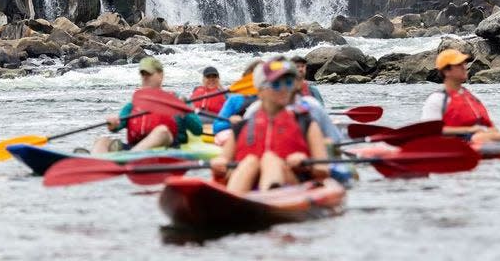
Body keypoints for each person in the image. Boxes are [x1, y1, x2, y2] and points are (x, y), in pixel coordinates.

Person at [210, 59, 329, 194]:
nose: (284, 89)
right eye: (276, 84)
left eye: (289, 83)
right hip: (246, 187)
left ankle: (268, 196)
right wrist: (218, 163)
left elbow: (323, 169)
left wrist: (305, 163)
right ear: (260, 91)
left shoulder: (307, 123)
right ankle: (231, 200)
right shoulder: (241, 127)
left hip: (291, 186)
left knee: (270, 158)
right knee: (250, 161)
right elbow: (223, 159)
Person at [91, 57, 202, 153]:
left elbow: (198, 130)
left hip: (168, 148)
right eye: (143, 74)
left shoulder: (177, 99)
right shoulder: (134, 104)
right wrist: (113, 124)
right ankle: (91, 163)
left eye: (149, 74)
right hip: (136, 148)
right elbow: (117, 126)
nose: (145, 77)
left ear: (161, 75)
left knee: (162, 130)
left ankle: (131, 157)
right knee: (101, 141)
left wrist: (185, 111)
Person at [211, 59, 263, 139]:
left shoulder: (275, 99)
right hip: (243, 139)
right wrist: (230, 122)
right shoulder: (235, 99)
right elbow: (216, 127)